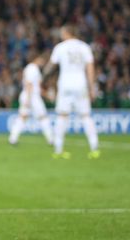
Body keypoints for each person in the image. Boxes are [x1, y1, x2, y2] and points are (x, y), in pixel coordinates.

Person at [45, 25, 99, 159]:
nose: (60, 35)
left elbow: (51, 66)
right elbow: (90, 68)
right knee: (86, 116)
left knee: (62, 116)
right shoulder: (84, 47)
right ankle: (94, 148)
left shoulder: (60, 47)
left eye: (62, 32)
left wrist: (43, 75)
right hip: (80, 84)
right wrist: (92, 87)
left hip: (65, 85)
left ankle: (58, 150)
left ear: (67, 33)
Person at [8, 52, 53, 146]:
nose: (43, 62)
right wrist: (28, 99)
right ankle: (51, 139)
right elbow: (29, 84)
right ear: (36, 58)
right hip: (31, 96)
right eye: (42, 60)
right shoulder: (32, 68)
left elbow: (37, 86)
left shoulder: (32, 68)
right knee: (42, 116)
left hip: (30, 95)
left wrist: (46, 95)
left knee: (23, 117)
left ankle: (13, 138)